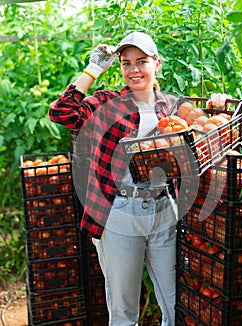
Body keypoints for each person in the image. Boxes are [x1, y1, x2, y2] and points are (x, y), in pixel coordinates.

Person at [49, 31, 179, 326]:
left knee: (174, 301)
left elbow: (203, 126)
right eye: (126, 63)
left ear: (156, 64)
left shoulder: (170, 106)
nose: (134, 70)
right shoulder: (108, 103)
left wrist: (217, 103)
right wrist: (93, 70)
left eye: (142, 61)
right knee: (123, 307)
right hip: (120, 212)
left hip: (162, 210)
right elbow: (63, 113)